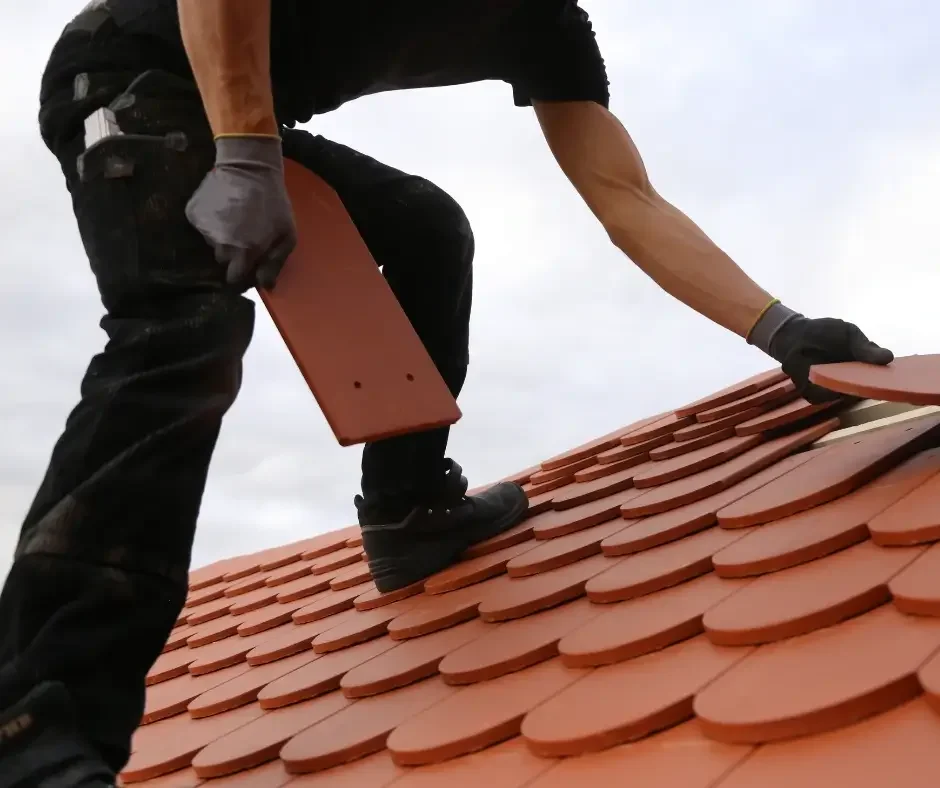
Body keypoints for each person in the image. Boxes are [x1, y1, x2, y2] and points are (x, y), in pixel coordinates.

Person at [0, 0, 894, 784]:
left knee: (427, 228)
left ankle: (408, 509)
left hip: (241, 113)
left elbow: (626, 197)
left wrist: (780, 327)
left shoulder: (548, 28)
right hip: (130, 70)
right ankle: (37, 721)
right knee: (182, 332)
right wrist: (242, 152)